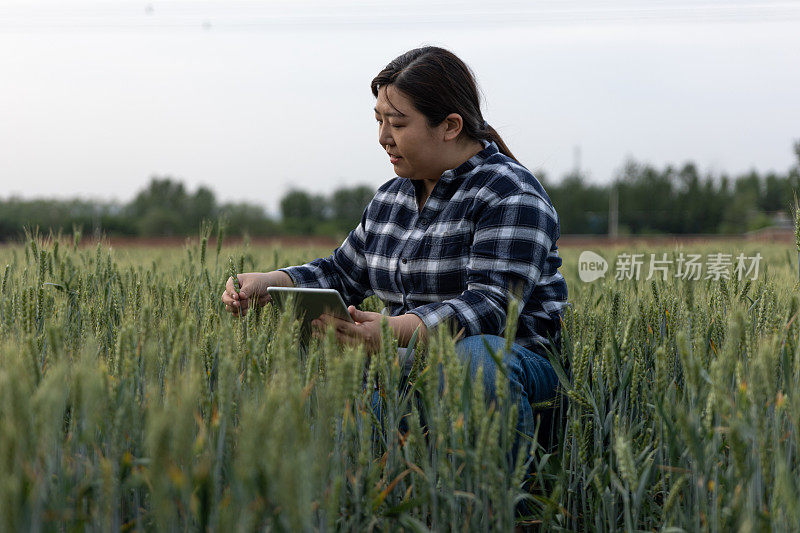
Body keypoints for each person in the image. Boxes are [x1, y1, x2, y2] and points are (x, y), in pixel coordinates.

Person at [220, 46, 568, 475]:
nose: (384, 136)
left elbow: (490, 307)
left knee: (475, 360)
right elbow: (342, 272)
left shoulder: (510, 194)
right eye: (379, 120)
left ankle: (498, 507)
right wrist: (272, 283)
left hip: (511, 365)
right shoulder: (391, 196)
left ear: (450, 126)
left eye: (397, 123)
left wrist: (393, 332)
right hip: (407, 358)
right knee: (309, 366)